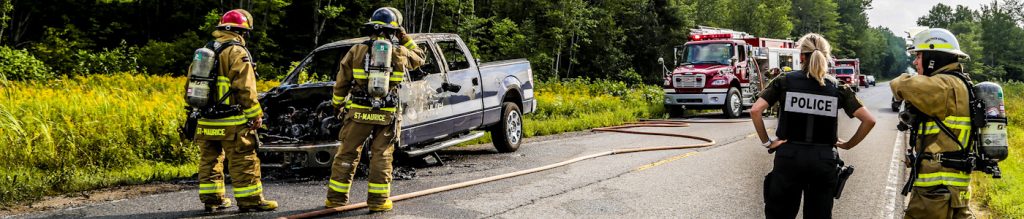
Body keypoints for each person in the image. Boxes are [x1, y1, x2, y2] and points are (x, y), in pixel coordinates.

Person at [750, 33, 876, 218]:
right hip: (823, 160)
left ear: (801, 56)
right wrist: (848, 145)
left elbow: (755, 111)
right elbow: (869, 120)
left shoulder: (784, 81)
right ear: (826, 56)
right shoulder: (837, 87)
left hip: (789, 157)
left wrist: (768, 142)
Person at [324, 7, 425, 212]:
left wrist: (337, 104)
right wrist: (405, 38)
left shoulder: (356, 50)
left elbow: (341, 82)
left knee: (347, 153)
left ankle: (335, 200)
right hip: (386, 114)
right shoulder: (399, 51)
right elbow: (420, 57)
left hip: (359, 112)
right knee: (382, 156)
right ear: (394, 30)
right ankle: (378, 202)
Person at [191, 9, 277, 212]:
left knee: (209, 161)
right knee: (243, 160)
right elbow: (245, 88)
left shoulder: (205, 51)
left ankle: (213, 200)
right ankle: (251, 201)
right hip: (231, 121)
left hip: (205, 120)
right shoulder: (237, 52)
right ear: (243, 32)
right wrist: (255, 115)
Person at [891, 28, 974, 219]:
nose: (915, 62)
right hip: (956, 189)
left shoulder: (942, 85)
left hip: (935, 192)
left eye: (919, 56)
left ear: (932, 57)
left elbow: (900, 85)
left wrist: (905, 77)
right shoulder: (962, 83)